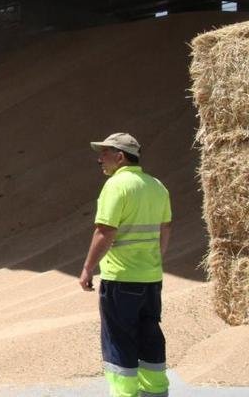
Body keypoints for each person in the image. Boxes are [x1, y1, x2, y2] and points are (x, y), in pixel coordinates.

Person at [81, 133, 173, 397]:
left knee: (119, 340)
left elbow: (105, 231)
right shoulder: (157, 185)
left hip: (121, 279)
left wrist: (88, 268)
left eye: (105, 153)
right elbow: (166, 227)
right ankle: (156, 392)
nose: (100, 159)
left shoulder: (116, 186)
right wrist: (155, 259)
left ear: (120, 157)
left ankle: (125, 394)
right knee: (150, 337)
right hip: (151, 279)